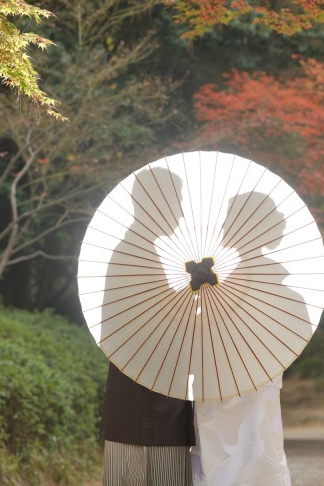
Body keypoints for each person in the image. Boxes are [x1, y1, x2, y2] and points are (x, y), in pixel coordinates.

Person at [96, 164, 196, 485]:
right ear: (156, 204)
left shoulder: (137, 252)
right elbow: (154, 328)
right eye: (177, 202)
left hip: (141, 403)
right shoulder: (134, 255)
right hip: (150, 407)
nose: (181, 214)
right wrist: (192, 303)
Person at [191, 192, 297, 486]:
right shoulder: (227, 284)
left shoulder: (223, 285)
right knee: (256, 456)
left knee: (242, 458)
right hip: (231, 383)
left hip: (236, 383)